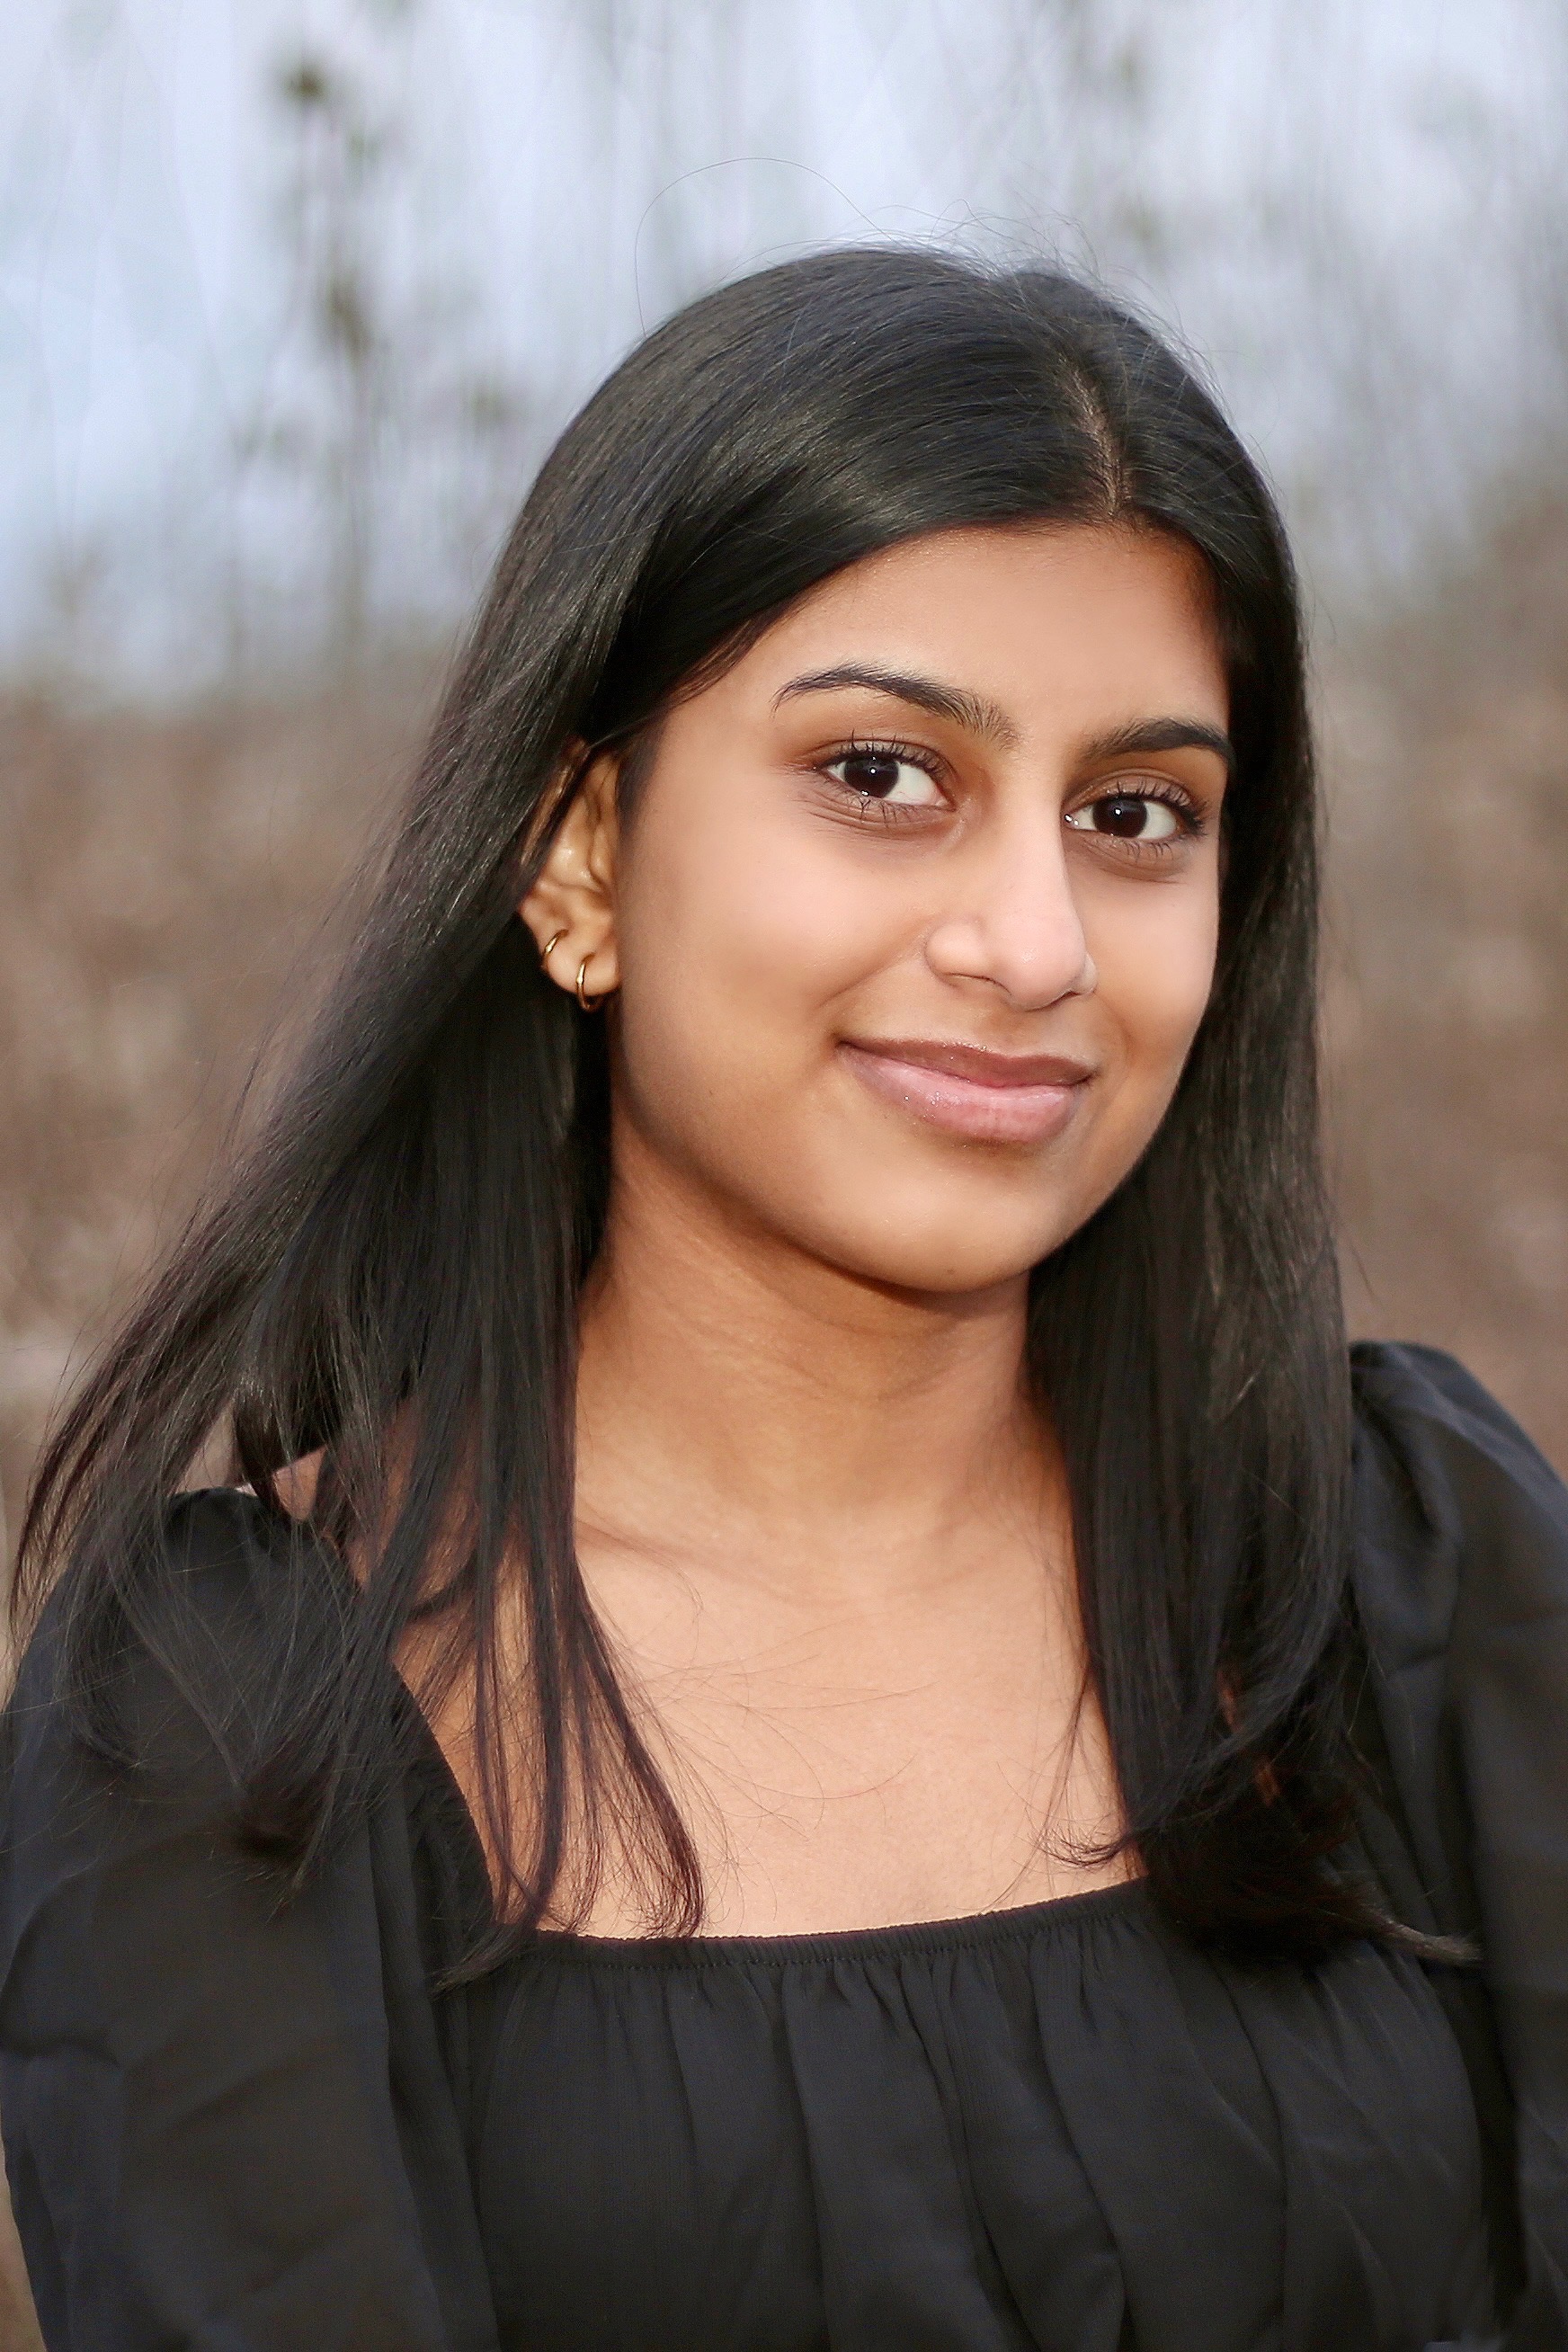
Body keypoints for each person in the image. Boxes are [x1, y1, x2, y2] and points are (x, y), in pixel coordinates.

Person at [2, 245, 1564, 2350]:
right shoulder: (226, 1726)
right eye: (880, 776)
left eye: (1134, 815)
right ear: (575, 856)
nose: (1032, 942)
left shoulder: (1403, 1558)